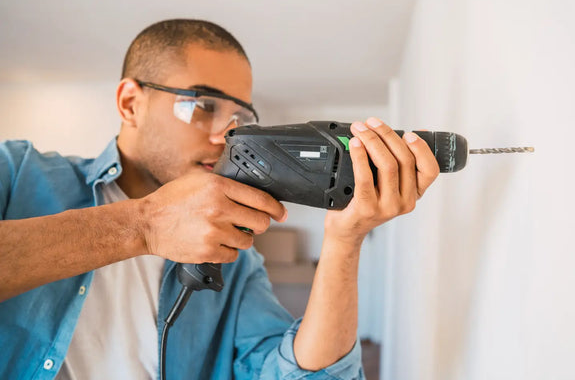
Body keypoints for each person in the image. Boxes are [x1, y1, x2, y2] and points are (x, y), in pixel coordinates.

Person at [0, 19, 440, 379]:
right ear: (131, 103)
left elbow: (299, 374)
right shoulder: (18, 173)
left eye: (240, 117)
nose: (226, 134)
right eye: (203, 105)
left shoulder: (236, 258)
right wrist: (144, 225)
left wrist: (345, 241)